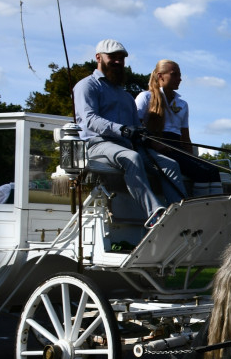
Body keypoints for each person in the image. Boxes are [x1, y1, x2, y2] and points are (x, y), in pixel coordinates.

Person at [73, 39, 185, 228]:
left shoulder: (125, 96)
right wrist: (122, 129)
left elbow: (135, 127)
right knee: (131, 158)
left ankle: (180, 214)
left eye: (121, 58)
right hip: (97, 144)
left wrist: (148, 139)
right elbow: (89, 119)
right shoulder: (87, 86)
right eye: (113, 57)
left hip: (126, 145)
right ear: (98, 58)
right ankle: (156, 215)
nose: (118, 62)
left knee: (170, 164)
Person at [135, 59, 223, 196]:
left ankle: (218, 208)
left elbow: (185, 137)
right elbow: (135, 123)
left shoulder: (182, 104)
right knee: (202, 172)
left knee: (213, 170)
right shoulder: (145, 97)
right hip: (157, 146)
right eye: (174, 74)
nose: (180, 79)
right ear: (160, 76)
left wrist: (193, 158)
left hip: (176, 146)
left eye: (179, 75)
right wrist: (152, 142)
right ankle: (201, 209)